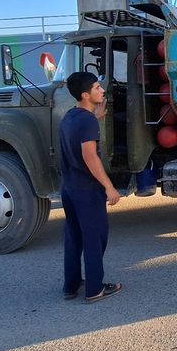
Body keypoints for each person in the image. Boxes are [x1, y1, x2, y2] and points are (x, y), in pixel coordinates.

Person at [60, 71, 122, 303]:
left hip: (69, 188)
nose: (102, 90)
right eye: (97, 87)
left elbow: (79, 132)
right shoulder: (86, 121)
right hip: (87, 190)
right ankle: (95, 289)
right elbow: (90, 157)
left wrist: (95, 117)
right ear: (86, 94)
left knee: (74, 237)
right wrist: (109, 187)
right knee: (95, 238)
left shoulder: (70, 116)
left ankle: (71, 286)